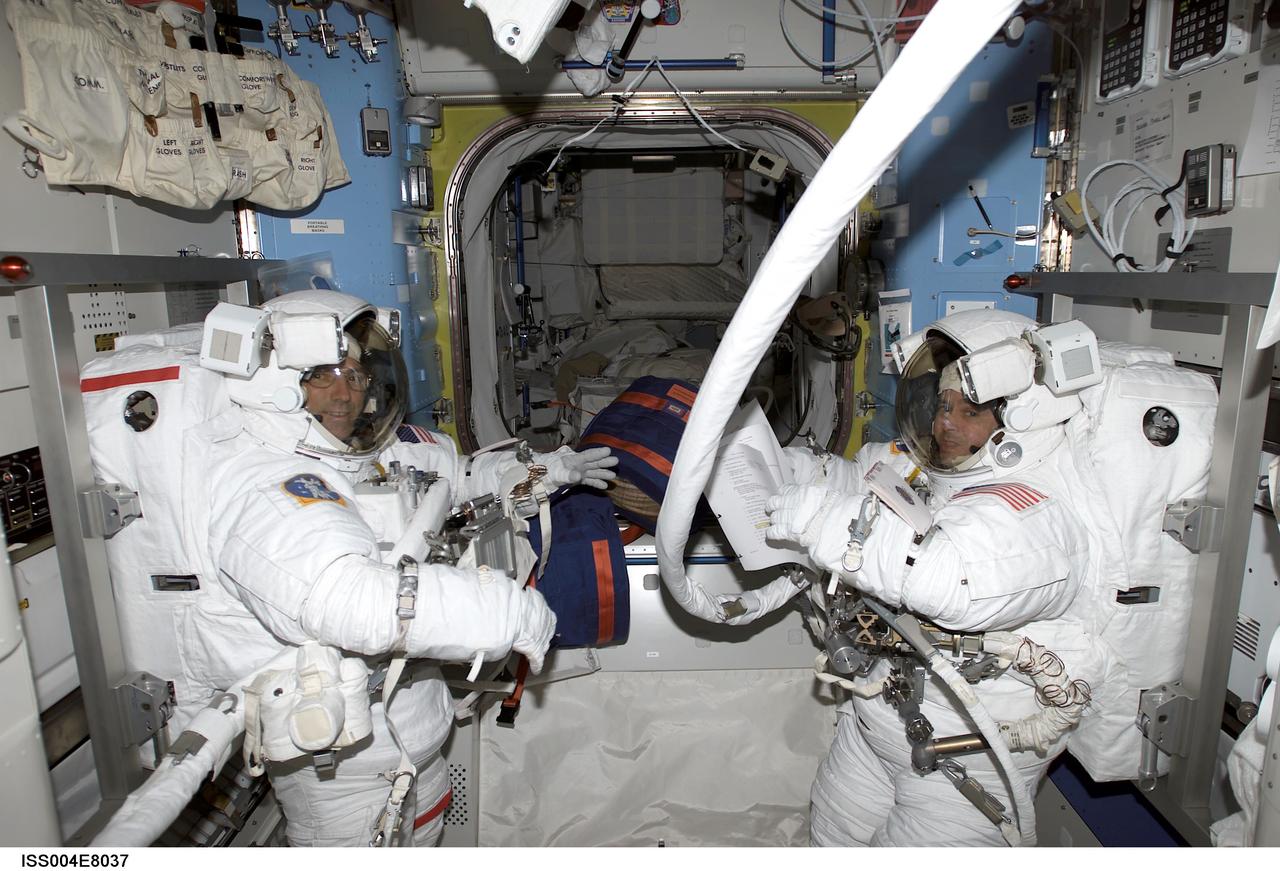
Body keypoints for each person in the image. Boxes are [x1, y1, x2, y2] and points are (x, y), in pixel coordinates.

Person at [768, 308, 1106, 847]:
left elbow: (950, 578)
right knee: (832, 834)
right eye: (942, 405)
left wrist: (813, 518)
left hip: (966, 756)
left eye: (969, 411)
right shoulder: (947, 473)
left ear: (1022, 418)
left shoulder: (1035, 509)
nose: (945, 424)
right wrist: (785, 471)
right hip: (885, 718)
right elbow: (866, 477)